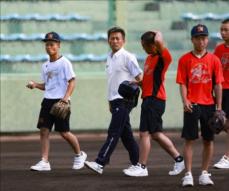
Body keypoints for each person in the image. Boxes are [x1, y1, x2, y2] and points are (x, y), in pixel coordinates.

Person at [123, 31, 184, 177]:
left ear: (153, 45)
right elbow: (148, 81)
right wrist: (137, 83)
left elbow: (159, 40)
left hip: (155, 100)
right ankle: (179, 159)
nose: (143, 48)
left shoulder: (164, 58)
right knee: (156, 134)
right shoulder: (149, 59)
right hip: (148, 99)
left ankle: (142, 166)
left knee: (144, 133)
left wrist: (157, 34)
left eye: (145, 45)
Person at [84, 27, 143, 174]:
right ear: (108, 40)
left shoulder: (128, 57)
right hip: (115, 101)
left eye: (118, 38)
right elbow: (112, 81)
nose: (115, 40)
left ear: (123, 41)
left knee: (114, 131)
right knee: (126, 135)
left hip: (124, 100)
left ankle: (100, 162)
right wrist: (110, 101)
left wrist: (131, 90)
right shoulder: (109, 57)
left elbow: (140, 78)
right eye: (112, 38)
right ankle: (138, 163)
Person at [26, 32, 87, 171]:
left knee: (64, 132)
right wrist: (35, 85)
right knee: (44, 130)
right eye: (47, 44)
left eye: (52, 44)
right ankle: (44, 161)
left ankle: (79, 154)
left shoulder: (65, 62)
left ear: (58, 45)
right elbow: (47, 85)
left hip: (61, 101)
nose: (49, 47)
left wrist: (65, 99)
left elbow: (72, 82)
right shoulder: (45, 65)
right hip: (47, 100)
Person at [176, 24, 224, 186]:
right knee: (189, 139)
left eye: (203, 38)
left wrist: (218, 107)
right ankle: (188, 174)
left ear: (207, 39)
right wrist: (185, 100)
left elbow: (218, 85)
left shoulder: (214, 60)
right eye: (197, 38)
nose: (201, 41)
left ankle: (204, 173)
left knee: (208, 140)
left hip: (209, 105)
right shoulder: (184, 59)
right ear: (192, 39)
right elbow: (182, 83)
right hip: (192, 104)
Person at [213, 18, 229, 169]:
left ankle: (227, 157)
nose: (223, 32)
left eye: (226, 30)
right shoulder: (218, 49)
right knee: (222, 123)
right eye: (222, 29)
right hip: (221, 90)